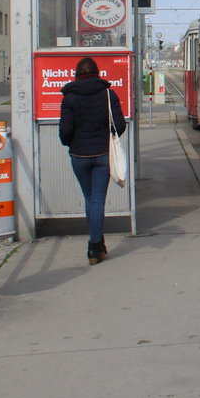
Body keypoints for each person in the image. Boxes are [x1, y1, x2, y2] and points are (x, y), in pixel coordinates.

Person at [58, 56, 125, 265]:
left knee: (89, 198)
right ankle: (95, 245)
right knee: (97, 200)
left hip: (79, 155)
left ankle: (97, 243)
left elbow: (65, 131)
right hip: (103, 155)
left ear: (76, 75)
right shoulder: (108, 94)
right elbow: (120, 125)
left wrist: (71, 143)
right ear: (98, 74)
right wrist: (108, 137)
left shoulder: (69, 98)